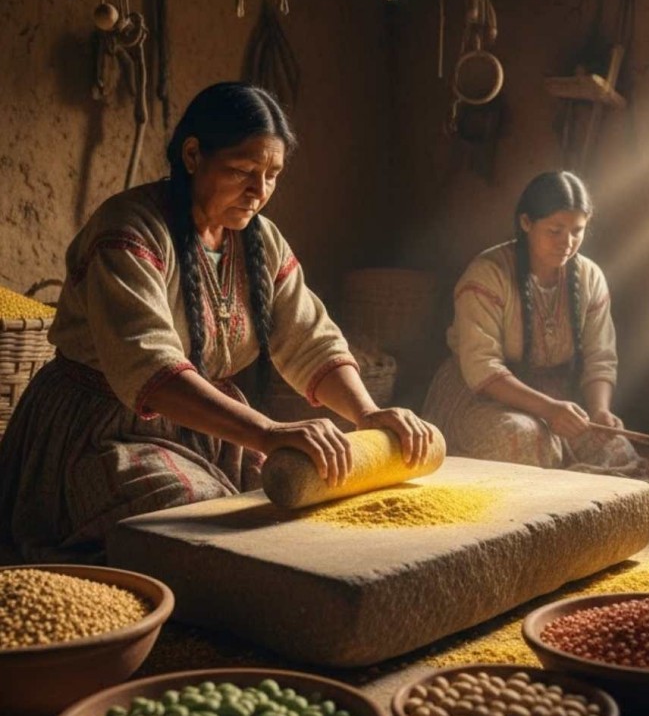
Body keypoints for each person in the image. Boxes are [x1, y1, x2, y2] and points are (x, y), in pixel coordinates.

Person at [0, 82, 434, 562]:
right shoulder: (128, 231)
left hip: (203, 424)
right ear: (192, 155)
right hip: (99, 428)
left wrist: (367, 414)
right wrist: (268, 432)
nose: (260, 192)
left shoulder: (260, 241)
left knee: (287, 507)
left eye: (273, 175)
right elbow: (151, 372)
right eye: (244, 171)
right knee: (197, 523)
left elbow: (309, 340)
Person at [422, 170, 639, 475]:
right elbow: (482, 368)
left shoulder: (590, 277)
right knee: (524, 439)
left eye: (577, 231)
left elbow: (599, 358)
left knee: (616, 449)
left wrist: (600, 410)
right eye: (555, 230)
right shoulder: (488, 274)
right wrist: (548, 410)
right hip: (483, 397)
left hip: (557, 402)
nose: (568, 242)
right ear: (526, 223)